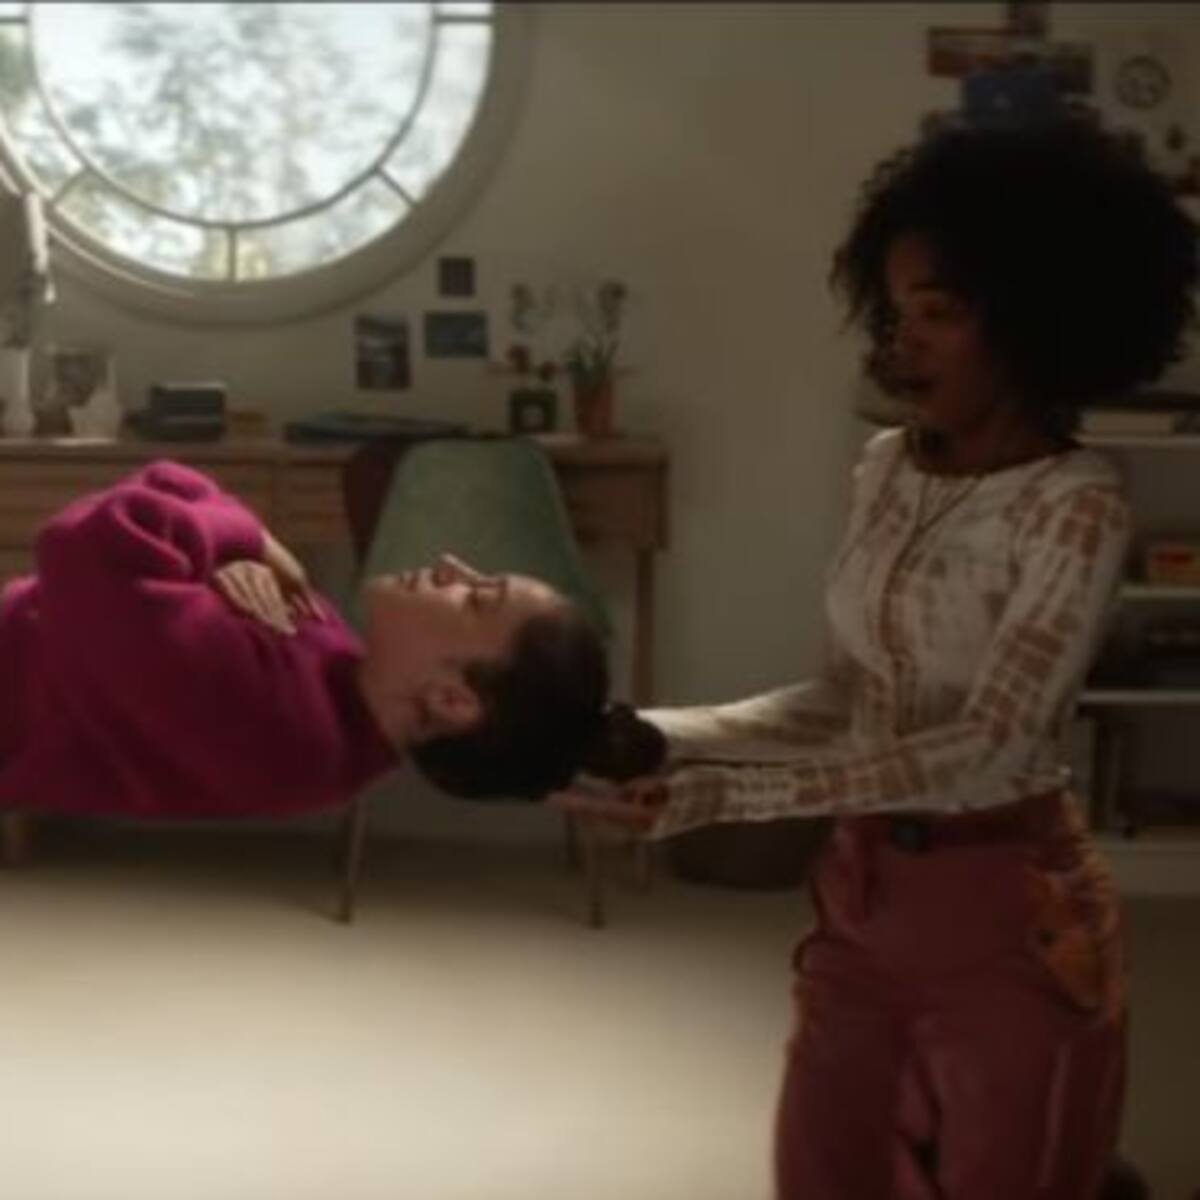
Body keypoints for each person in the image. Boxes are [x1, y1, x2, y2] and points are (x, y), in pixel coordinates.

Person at [559, 118, 1196, 1198]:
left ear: (1035, 324)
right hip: (862, 903)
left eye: (939, 315)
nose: (903, 344)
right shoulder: (885, 469)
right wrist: (660, 736)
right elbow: (846, 698)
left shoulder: (1076, 503)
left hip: (1010, 913)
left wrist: (734, 797)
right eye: (895, 314)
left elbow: (992, 746)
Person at [0, 458, 645, 833]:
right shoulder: (341, 668)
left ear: (451, 698)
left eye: (476, 597)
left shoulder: (278, 723)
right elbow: (170, 481)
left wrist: (255, 543)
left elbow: (95, 545)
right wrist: (221, 563)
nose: (452, 566)